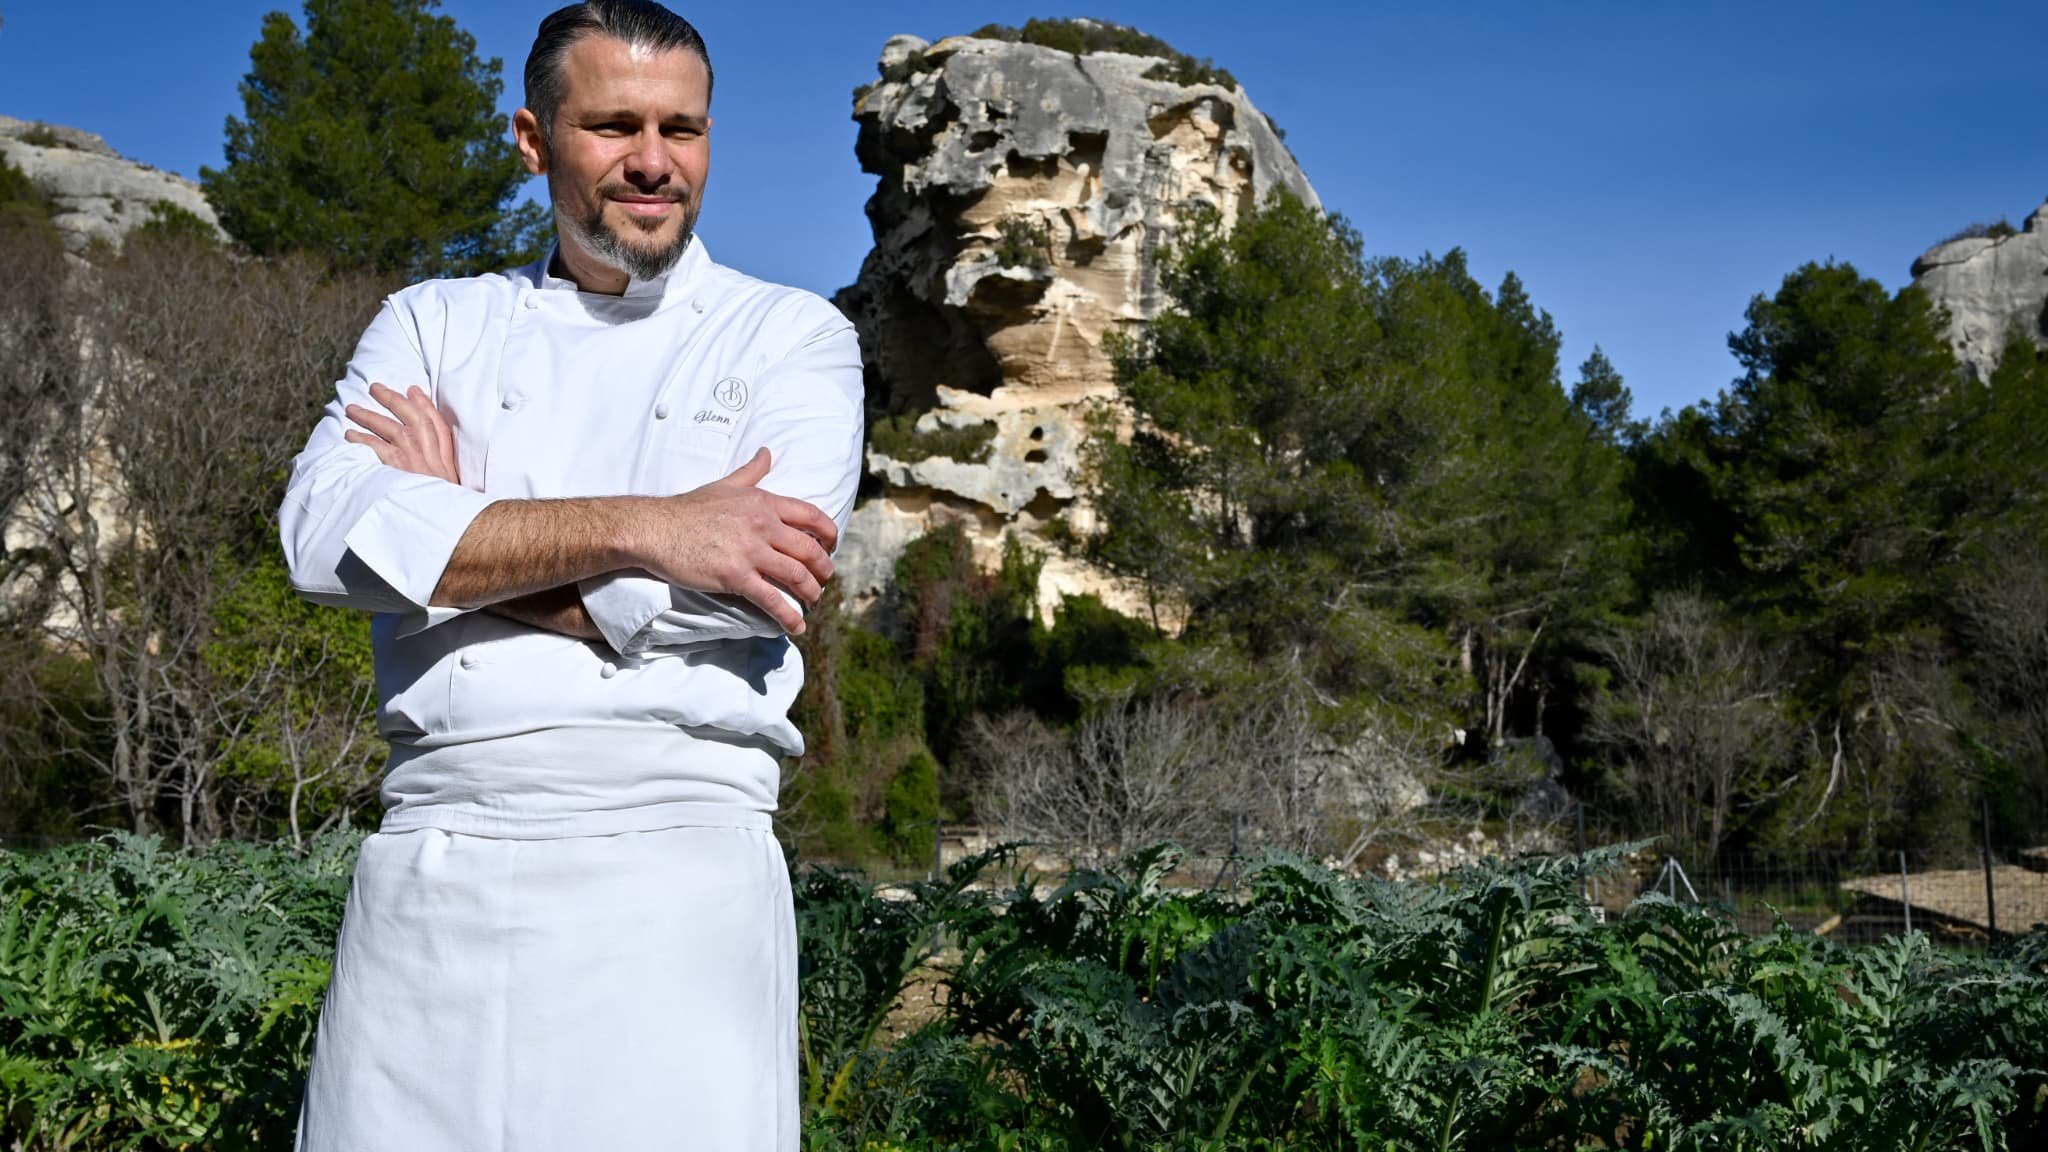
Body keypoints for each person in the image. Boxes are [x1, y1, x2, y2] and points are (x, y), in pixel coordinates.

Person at [279, 2, 861, 1147]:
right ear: (534, 139)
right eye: (613, 126)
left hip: (677, 888)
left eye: (681, 129)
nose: (653, 162)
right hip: (433, 882)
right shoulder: (434, 323)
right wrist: (653, 524)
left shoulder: (793, 338)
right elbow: (320, 538)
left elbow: (740, 593)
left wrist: (445, 542)